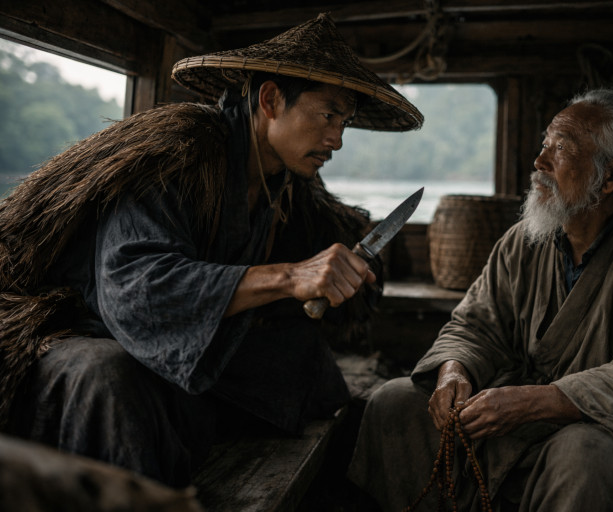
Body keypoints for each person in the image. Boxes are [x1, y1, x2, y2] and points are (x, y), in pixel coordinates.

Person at [0, 13, 423, 488]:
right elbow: (136, 290)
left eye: (345, 122)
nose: (338, 139)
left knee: (300, 364)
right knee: (108, 377)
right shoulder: (176, 153)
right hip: (74, 332)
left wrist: (354, 268)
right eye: (328, 116)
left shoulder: (283, 178)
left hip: (163, 338)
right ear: (269, 100)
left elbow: (330, 237)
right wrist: (289, 277)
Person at [348, 88, 613, 511]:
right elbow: (475, 326)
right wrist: (453, 371)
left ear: (612, 175)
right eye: (544, 144)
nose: (539, 162)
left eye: (561, 148)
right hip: (527, 426)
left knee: (584, 455)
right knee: (394, 403)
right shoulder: (525, 241)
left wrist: (534, 401)